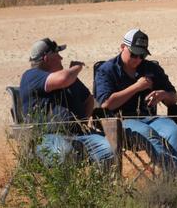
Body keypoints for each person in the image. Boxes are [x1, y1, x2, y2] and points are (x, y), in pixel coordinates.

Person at [94, 29, 177, 173]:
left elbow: (173, 99)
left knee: (174, 131)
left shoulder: (151, 68)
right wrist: (136, 87)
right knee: (149, 134)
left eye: (142, 55)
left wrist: (163, 95)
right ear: (123, 47)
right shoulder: (106, 70)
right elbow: (106, 104)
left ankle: (174, 177)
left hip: (151, 118)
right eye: (134, 54)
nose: (137, 59)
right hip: (121, 122)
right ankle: (173, 176)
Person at [19, 38, 114, 166]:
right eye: (57, 54)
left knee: (108, 150)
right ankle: (66, 187)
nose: (61, 58)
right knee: (65, 152)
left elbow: (88, 99)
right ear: (46, 58)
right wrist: (76, 67)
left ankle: (103, 185)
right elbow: (64, 78)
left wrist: (82, 122)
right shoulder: (32, 76)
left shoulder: (68, 78)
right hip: (48, 137)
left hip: (79, 135)